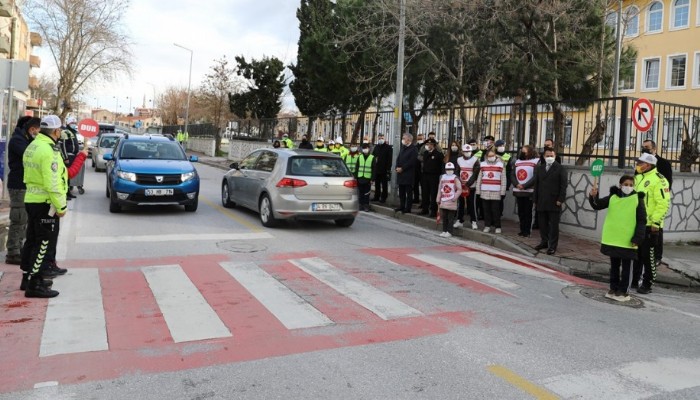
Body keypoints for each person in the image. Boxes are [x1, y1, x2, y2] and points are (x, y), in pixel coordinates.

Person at [20, 115, 67, 298]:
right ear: (56, 131)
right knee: (43, 244)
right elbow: (53, 183)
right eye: (60, 130)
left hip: (32, 198)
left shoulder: (33, 145)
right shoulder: (49, 151)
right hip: (45, 203)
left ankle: (27, 278)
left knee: (31, 240)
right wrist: (61, 207)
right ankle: (35, 284)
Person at [589, 175, 646, 302]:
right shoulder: (613, 197)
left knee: (627, 267)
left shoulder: (637, 199)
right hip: (613, 238)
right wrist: (593, 195)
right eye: (626, 184)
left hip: (628, 240)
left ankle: (624, 291)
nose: (628, 187)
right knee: (614, 266)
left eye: (631, 185)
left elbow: (642, 221)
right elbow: (597, 205)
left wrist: (637, 238)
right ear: (620, 185)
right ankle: (613, 288)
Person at [632, 153, 671, 294]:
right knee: (636, 255)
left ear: (648, 165)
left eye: (640, 163)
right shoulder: (638, 178)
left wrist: (655, 222)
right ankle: (634, 281)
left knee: (648, 256)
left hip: (651, 225)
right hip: (637, 223)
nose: (638, 165)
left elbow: (663, 203)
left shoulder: (659, 180)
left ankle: (647, 283)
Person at [5, 117, 38, 265]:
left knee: (24, 219)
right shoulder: (17, 140)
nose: (36, 132)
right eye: (35, 129)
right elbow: (29, 155)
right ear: (29, 128)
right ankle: (12, 252)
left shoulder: (23, 139)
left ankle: (19, 248)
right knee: (18, 219)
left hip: (24, 184)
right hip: (18, 185)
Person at [641, 139, 672, 265]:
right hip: (643, 204)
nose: (644, 149)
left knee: (657, 231)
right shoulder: (642, 163)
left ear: (654, 149)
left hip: (657, 201)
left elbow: (668, 183)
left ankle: (657, 257)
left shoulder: (663, 163)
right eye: (643, 147)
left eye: (647, 147)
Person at [533, 148, 567, 255]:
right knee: (542, 224)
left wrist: (560, 199)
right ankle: (544, 241)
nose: (549, 158)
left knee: (553, 226)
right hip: (541, 200)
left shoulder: (560, 168)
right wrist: (535, 199)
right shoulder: (540, 168)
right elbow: (536, 185)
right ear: (543, 157)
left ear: (555, 156)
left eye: (551, 155)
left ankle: (552, 246)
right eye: (547, 156)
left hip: (554, 201)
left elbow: (563, 186)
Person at [476, 149, 506, 233]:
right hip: (484, 191)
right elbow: (479, 179)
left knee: (496, 210)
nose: (491, 157)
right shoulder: (483, 164)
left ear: (495, 155)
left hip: (496, 192)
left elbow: (503, 179)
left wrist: (502, 192)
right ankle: (487, 225)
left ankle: (498, 227)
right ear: (486, 156)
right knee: (486, 210)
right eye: (489, 156)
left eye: (492, 156)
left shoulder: (500, 164)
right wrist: (478, 191)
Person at [511, 145, 539, 237]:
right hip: (519, 191)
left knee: (528, 212)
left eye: (524, 151)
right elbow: (512, 175)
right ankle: (522, 229)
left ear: (530, 152)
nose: (522, 153)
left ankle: (527, 231)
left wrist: (525, 185)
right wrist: (516, 184)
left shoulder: (535, 161)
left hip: (529, 191)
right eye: (522, 151)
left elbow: (535, 177)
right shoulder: (517, 162)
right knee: (521, 212)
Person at [454, 144, 480, 230]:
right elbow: (457, 171)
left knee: (472, 204)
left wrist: (467, 184)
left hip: (471, 186)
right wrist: (459, 182)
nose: (467, 153)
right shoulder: (459, 160)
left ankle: (474, 221)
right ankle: (459, 220)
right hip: (461, 185)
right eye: (465, 151)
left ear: (471, 151)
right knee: (460, 204)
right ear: (462, 151)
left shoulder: (475, 160)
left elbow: (475, 173)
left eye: (469, 151)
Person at [419, 138, 444, 218]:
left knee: (433, 194)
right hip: (425, 175)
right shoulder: (426, 153)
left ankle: (433, 210)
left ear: (434, 146)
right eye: (427, 144)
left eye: (430, 144)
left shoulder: (438, 154)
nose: (428, 146)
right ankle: (425, 209)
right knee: (425, 193)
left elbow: (441, 165)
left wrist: (441, 175)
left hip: (434, 176)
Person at [394, 133, 418, 214]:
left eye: (404, 138)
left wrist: (402, 168)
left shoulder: (413, 149)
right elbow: (398, 158)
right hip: (401, 174)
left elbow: (412, 161)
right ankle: (402, 206)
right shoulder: (403, 147)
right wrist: (397, 167)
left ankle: (408, 208)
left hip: (408, 174)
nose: (403, 139)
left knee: (408, 192)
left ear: (409, 139)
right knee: (401, 192)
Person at [437, 162, 462, 238]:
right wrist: (438, 198)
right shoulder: (442, 177)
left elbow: (459, 189)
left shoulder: (455, 178)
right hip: (444, 200)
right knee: (444, 217)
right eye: (447, 169)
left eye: (451, 169)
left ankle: (449, 231)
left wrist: (454, 198)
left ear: (453, 169)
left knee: (450, 218)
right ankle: (444, 231)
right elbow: (440, 189)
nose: (449, 170)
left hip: (451, 201)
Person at [60, 117, 80, 200]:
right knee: (65, 176)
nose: (74, 124)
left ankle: (68, 192)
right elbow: (63, 146)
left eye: (75, 123)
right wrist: (65, 157)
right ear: (68, 123)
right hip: (68, 156)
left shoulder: (72, 132)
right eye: (72, 123)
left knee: (69, 176)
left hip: (73, 156)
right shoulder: (65, 132)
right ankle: (65, 193)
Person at [371, 133, 392, 204]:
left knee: (384, 184)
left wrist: (388, 169)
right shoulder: (376, 147)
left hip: (384, 169)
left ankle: (384, 197)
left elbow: (390, 159)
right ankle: (376, 196)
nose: (380, 139)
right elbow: (373, 156)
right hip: (377, 168)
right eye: (379, 138)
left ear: (384, 138)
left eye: (382, 138)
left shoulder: (388, 147)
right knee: (377, 184)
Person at [355, 143, 375, 212]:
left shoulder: (372, 157)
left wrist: (372, 179)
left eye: (366, 148)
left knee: (367, 193)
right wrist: (356, 177)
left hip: (367, 178)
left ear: (369, 149)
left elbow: (374, 169)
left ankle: (366, 205)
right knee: (361, 192)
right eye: (364, 148)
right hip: (360, 177)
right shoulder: (360, 157)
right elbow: (357, 167)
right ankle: (361, 204)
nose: (365, 150)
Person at [495, 139, 512, 216]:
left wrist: (508, 185)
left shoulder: (507, 156)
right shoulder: (493, 155)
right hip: (494, 181)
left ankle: (499, 215)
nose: (501, 147)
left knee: (500, 200)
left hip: (503, 181)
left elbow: (509, 171)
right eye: (499, 146)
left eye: (502, 146)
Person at [413, 133, 425, 204]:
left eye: (420, 138)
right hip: (415, 167)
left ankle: (424, 201)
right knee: (415, 184)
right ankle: (416, 198)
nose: (419, 140)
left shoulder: (424, 146)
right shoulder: (415, 146)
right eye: (418, 138)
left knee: (423, 186)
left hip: (422, 168)